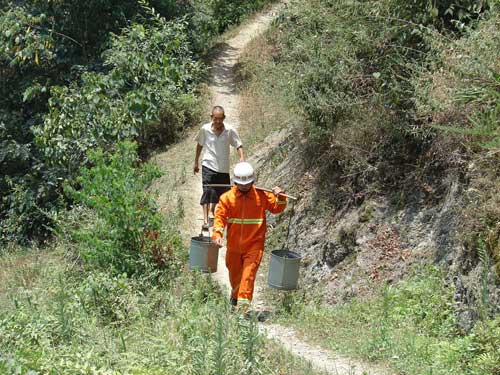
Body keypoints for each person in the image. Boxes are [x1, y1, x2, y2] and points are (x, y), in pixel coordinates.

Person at [212, 162, 287, 312]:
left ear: (253, 181)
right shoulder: (227, 198)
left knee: (248, 276)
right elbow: (219, 217)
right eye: (241, 184)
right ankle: (235, 298)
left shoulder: (262, 196)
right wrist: (217, 233)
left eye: (247, 184)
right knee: (235, 276)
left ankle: (242, 312)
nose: (245, 187)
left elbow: (277, 208)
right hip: (233, 246)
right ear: (235, 182)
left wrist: (281, 196)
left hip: (254, 245)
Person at [194, 106, 244, 230]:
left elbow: (238, 144)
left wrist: (242, 158)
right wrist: (196, 162)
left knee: (222, 194)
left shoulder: (229, 130)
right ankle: (206, 221)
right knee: (207, 190)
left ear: (224, 118)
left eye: (220, 119)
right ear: (211, 117)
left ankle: (214, 210)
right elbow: (199, 145)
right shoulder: (205, 129)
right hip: (208, 165)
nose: (218, 122)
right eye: (215, 119)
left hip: (223, 167)